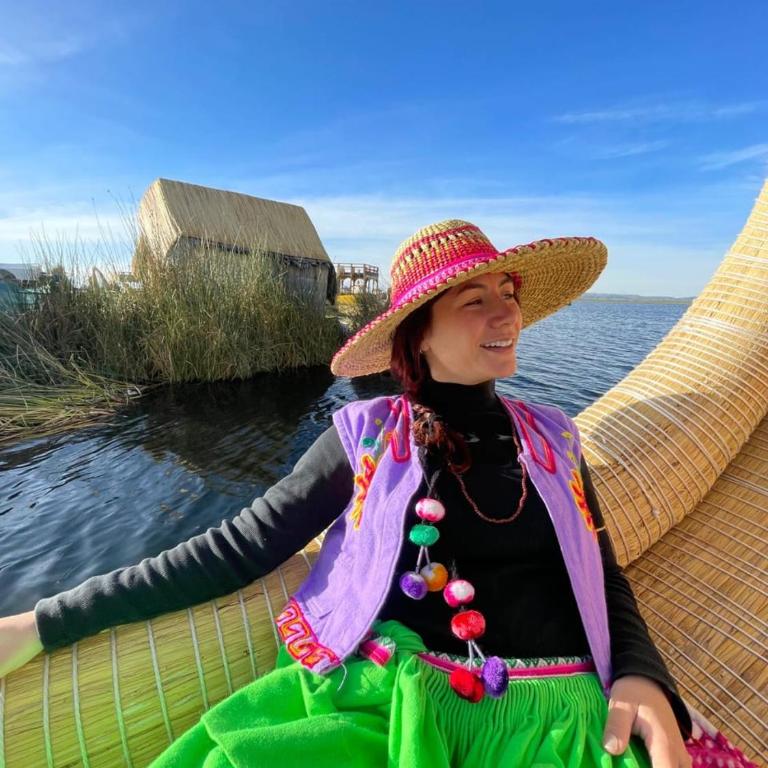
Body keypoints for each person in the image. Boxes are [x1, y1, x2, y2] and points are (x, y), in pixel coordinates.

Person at [1, 219, 697, 767]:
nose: (506, 316)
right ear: (417, 336)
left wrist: (642, 674)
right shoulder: (369, 437)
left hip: (565, 718)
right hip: (387, 706)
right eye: (475, 301)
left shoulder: (554, 438)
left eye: (509, 297)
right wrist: (46, 621)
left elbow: (602, 573)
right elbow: (239, 545)